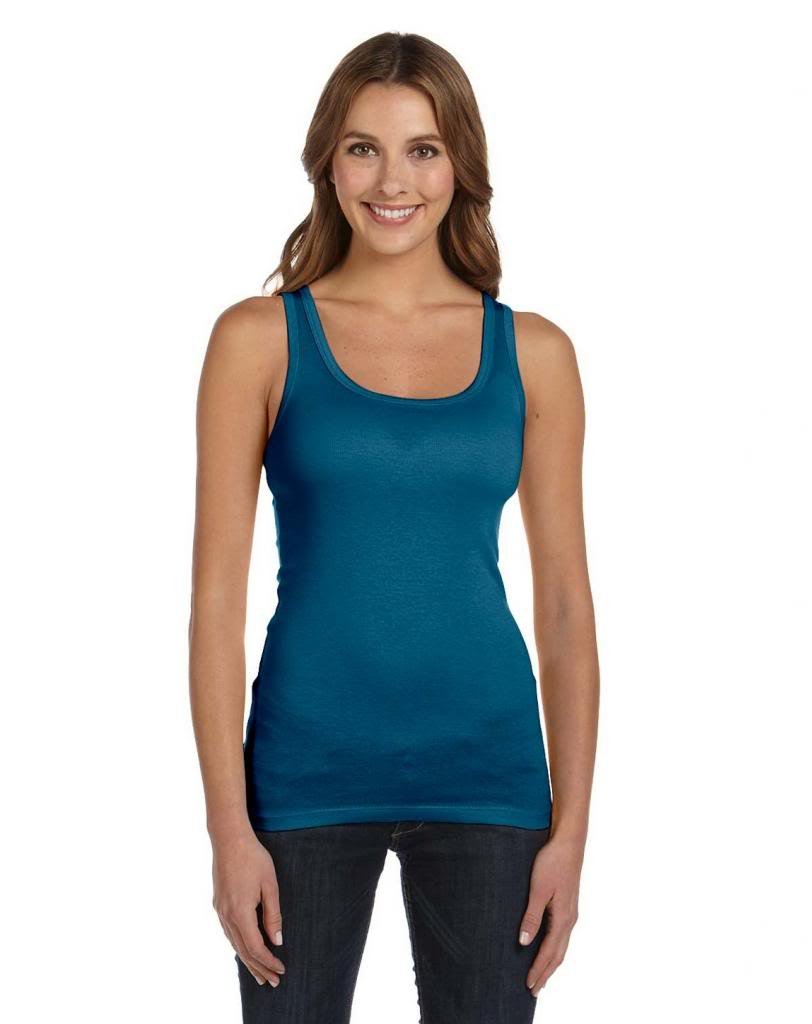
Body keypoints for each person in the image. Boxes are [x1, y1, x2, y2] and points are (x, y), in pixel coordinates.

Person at [189, 31, 599, 1024]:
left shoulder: (534, 353)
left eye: (422, 149)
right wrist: (228, 831)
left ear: (460, 165)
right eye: (362, 148)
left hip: (490, 780)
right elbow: (213, 603)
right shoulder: (257, 338)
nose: (391, 181)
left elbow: (563, 605)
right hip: (302, 778)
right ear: (327, 162)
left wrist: (571, 833)